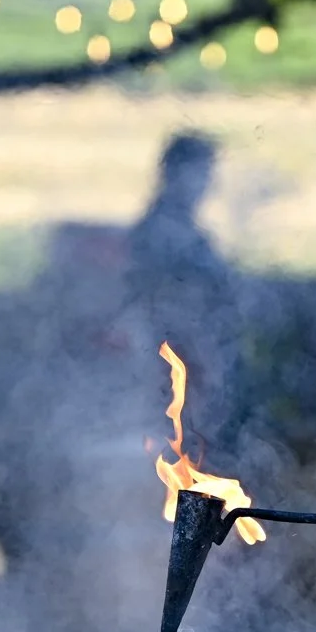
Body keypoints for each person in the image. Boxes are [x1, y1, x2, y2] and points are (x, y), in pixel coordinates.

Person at [128, 133, 243, 447]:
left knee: (197, 454)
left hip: (197, 366)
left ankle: (191, 497)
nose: (207, 183)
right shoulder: (162, 233)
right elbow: (160, 303)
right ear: (173, 172)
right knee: (183, 450)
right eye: (201, 172)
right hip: (178, 364)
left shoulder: (186, 232)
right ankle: (182, 498)